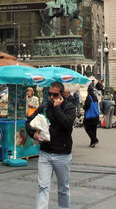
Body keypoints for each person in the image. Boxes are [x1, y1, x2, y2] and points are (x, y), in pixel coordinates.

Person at [25, 81, 75, 209]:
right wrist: (33, 134)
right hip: (45, 153)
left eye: (55, 94)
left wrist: (57, 108)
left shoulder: (69, 107)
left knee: (63, 188)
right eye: (49, 94)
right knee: (43, 186)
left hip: (62, 154)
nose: (51, 97)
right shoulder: (45, 107)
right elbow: (29, 121)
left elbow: (67, 124)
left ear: (61, 94)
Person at [83, 82, 100, 147]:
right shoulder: (95, 97)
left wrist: (84, 107)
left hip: (90, 116)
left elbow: (86, 106)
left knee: (87, 128)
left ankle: (94, 139)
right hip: (96, 115)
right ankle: (92, 143)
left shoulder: (88, 98)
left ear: (88, 91)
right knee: (94, 129)